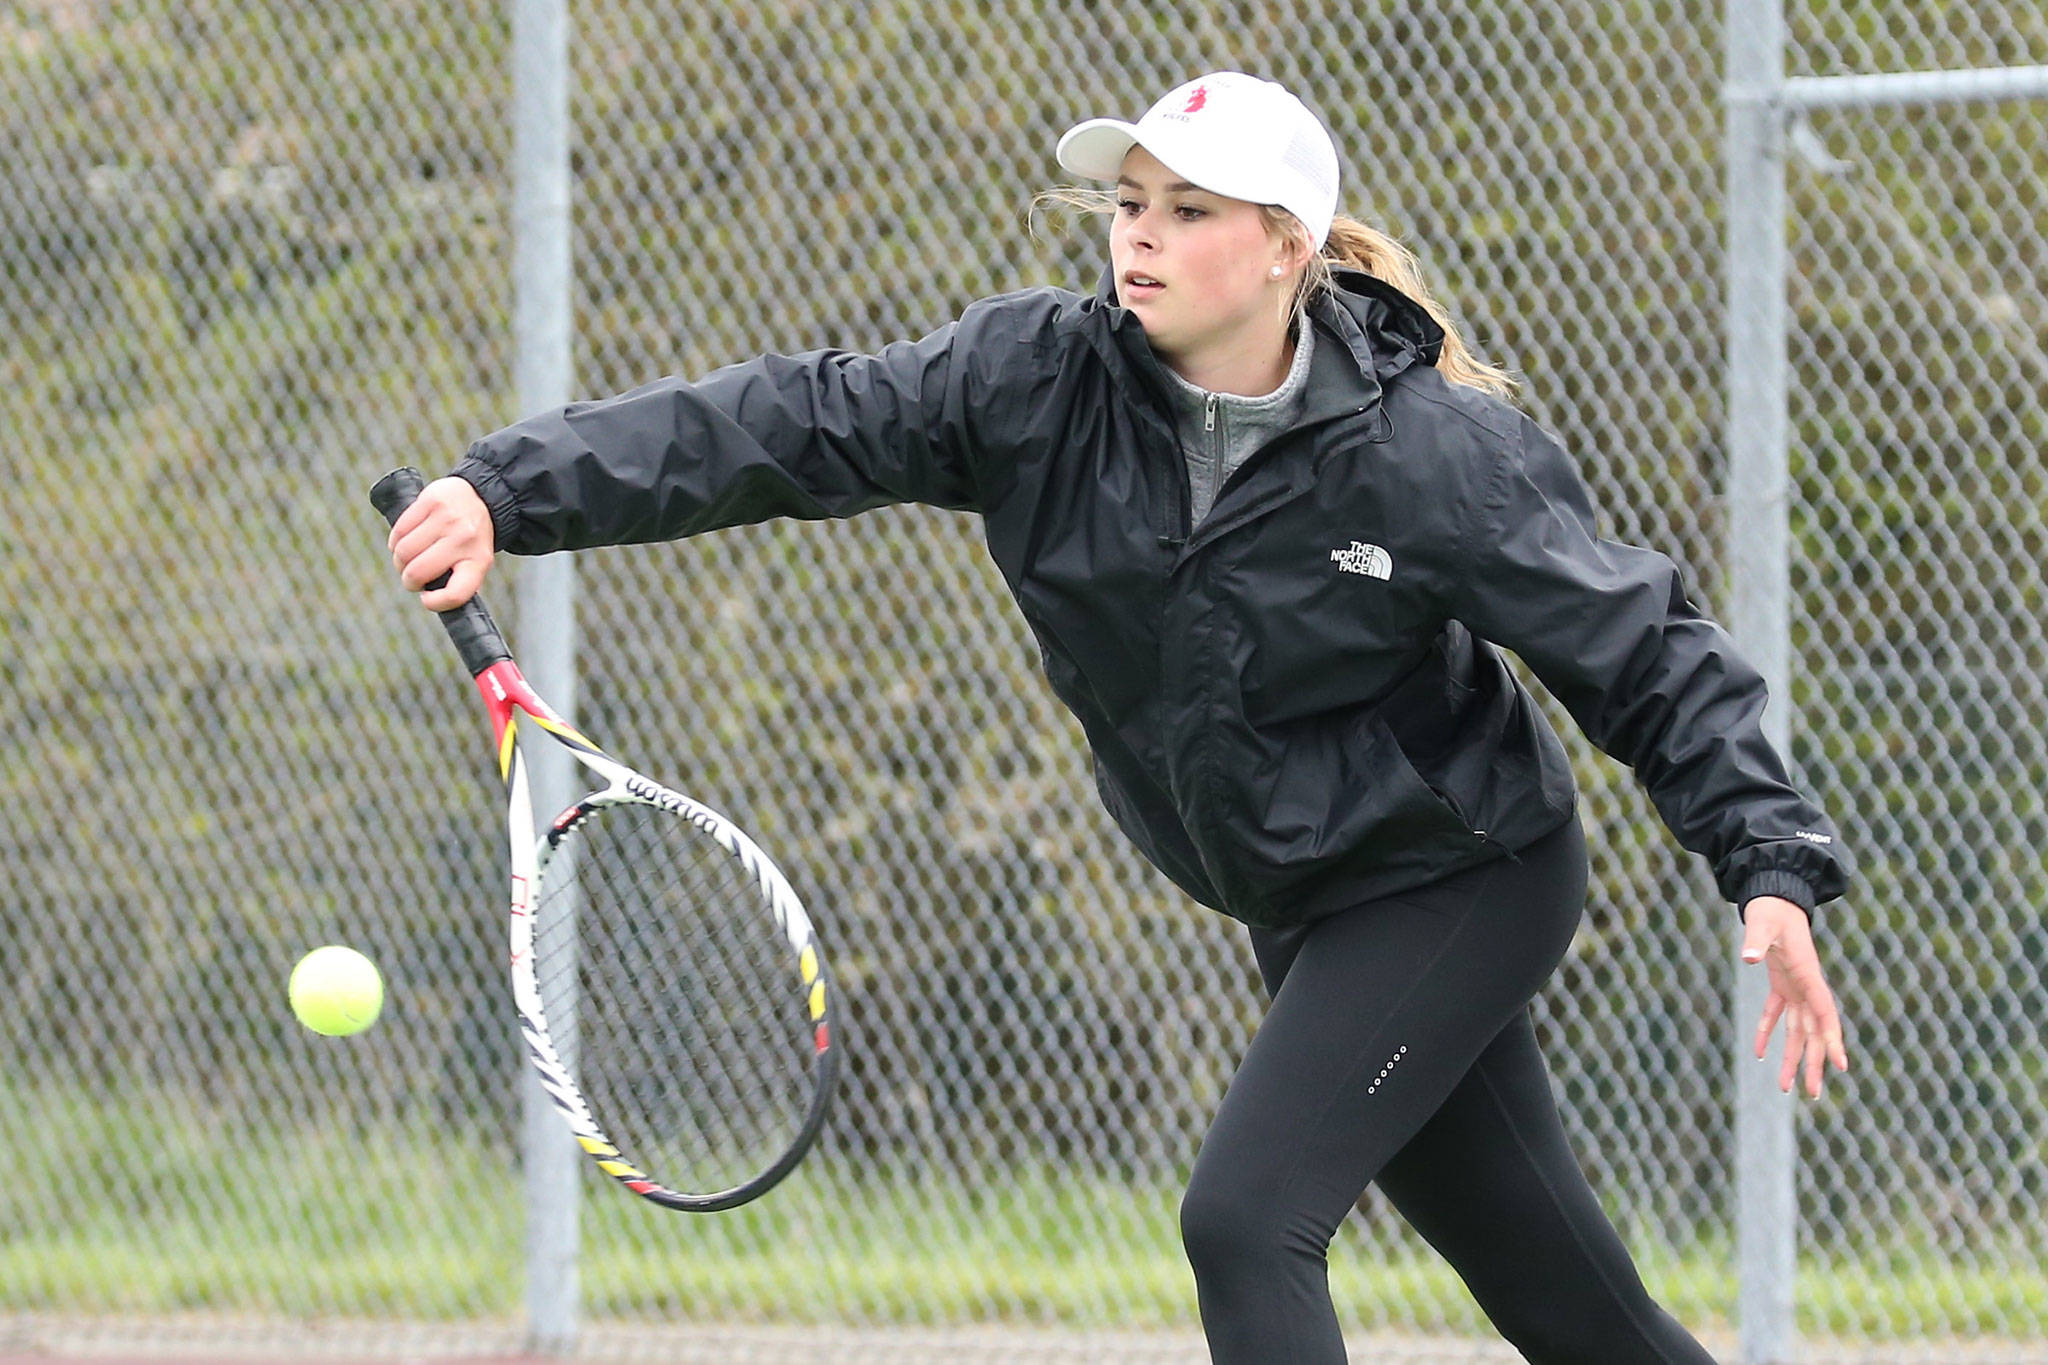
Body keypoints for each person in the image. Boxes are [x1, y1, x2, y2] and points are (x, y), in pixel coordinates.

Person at [388, 70, 1851, 1365]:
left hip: (1460, 876)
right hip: (1302, 890)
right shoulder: (1034, 385)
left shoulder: (1429, 458)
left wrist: (1766, 852)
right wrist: (511, 491)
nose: (1137, 232)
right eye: (1129, 200)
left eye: (1188, 208)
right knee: (1568, 1304)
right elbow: (790, 421)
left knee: (1245, 1221)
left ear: (1284, 248)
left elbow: (1640, 646)